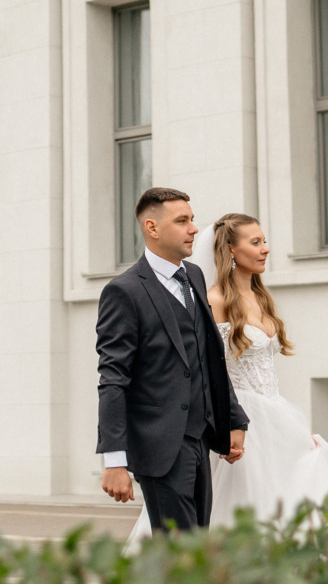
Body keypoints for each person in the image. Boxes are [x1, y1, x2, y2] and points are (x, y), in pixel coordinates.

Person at [126, 212, 328, 541]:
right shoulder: (214, 301)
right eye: (255, 242)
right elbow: (207, 367)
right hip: (238, 420)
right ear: (229, 250)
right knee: (245, 510)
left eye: (264, 241)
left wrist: (296, 430)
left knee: (301, 482)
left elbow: (266, 377)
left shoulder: (261, 298)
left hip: (275, 416)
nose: (265, 249)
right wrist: (227, 423)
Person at [96, 187, 249, 532]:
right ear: (152, 228)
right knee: (180, 551)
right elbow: (113, 378)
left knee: (195, 547)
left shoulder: (193, 276)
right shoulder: (125, 291)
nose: (194, 228)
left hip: (200, 438)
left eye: (192, 220)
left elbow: (210, 356)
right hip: (159, 448)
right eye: (182, 221)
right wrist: (115, 461)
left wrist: (234, 419)